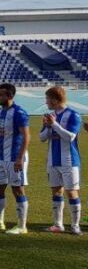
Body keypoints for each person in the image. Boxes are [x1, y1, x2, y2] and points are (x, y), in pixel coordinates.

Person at [0, 83, 30, 235]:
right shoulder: (0, 112)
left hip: (15, 157)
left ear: (9, 96)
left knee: (17, 189)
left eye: (0, 95)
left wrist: (20, 158)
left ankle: (22, 226)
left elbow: (26, 137)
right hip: (1, 157)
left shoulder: (19, 113)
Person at [39, 86, 81, 235]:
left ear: (55, 100)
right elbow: (42, 138)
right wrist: (47, 127)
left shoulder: (73, 115)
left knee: (71, 192)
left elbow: (70, 137)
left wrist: (54, 125)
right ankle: (58, 225)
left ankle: (75, 226)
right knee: (56, 191)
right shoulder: (50, 116)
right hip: (52, 160)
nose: (46, 102)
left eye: (47, 99)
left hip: (69, 161)